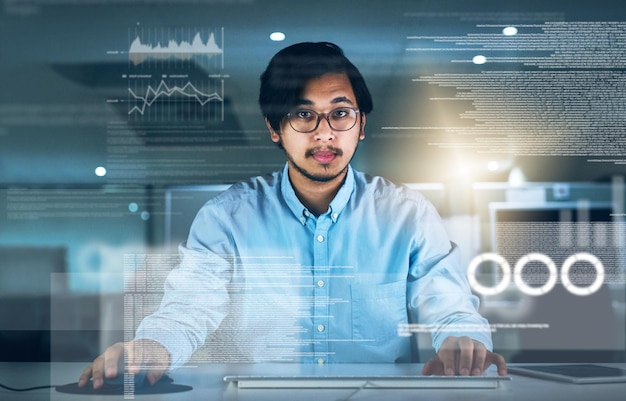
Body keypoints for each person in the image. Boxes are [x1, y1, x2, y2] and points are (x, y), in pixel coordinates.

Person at [79, 41, 506, 389]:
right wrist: (153, 347)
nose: (324, 133)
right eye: (303, 114)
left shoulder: (408, 214)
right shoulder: (226, 218)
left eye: (340, 113)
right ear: (273, 128)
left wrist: (461, 341)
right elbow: (189, 308)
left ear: (361, 125)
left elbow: (449, 305)